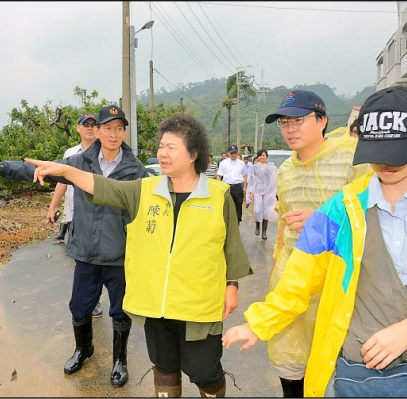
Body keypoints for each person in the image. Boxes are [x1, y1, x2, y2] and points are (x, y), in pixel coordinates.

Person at [223, 86, 407, 398]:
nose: (387, 165)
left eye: (398, 151)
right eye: (377, 153)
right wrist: (259, 323)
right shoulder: (341, 209)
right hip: (357, 372)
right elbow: (298, 280)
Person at [26, 113, 251, 397]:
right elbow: (102, 185)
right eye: (161, 146)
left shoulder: (218, 196)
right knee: (164, 365)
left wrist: (232, 285)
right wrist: (66, 171)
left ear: (194, 154)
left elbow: (230, 246)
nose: (163, 152)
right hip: (156, 301)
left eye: (172, 147)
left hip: (199, 302)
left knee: (204, 369)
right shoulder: (144, 190)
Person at [0, 105, 148, 387]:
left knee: (119, 310)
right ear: (97, 131)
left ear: (125, 131)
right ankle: (83, 349)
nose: (113, 134)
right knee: (79, 308)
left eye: (119, 128)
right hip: (86, 252)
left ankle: (119, 360)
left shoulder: (135, 169)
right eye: (107, 127)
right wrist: (0, 168)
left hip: (119, 255)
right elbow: (38, 169)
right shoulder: (78, 162)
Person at [248, 89, 367, 397]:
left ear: (322, 120)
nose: (290, 129)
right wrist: (277, 270)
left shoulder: (352, 159)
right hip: (294, 278)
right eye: (285, 123)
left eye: (298, 120)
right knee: (290, 366)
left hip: (338, 279)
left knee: (336, 364)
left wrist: (324, 220)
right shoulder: (285, 170)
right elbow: (283, 225)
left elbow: (372, 215)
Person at [47, 111, 103, 318]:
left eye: (93, 124)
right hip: (74, 214)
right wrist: (53, 206)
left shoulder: (106, 151)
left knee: (99, 259)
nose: (89, 127)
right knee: (82, 259)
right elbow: (62, 182)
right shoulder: (70, 154)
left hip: (100, 215)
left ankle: (94, 299)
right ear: (78, 128)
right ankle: (91, 300)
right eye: (85, 124)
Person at [245, 149, 278, 239]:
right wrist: (251, 192)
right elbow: (251, 180)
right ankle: (257, 226)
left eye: (263, 155)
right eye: (260, 155)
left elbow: (275, 180)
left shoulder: (272, 167)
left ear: (266, 156)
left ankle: (264, 232)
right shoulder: (254, 167)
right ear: (258, 157)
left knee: (266, 211)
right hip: (257, 191)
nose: (262, 157)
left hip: (268, 191)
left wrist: (275, 193)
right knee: (257, 210)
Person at [216, 145, 246, 224]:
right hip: (227, 187)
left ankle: (237, 225)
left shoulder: (241, 163)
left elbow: (245, 175)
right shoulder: (223, 163)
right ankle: (227, 227)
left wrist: (245, 188)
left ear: (237, 153)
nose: (233, 155)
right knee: (227, 207)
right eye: (231, 153)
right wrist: (220, 187)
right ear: (228, 153)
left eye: (235, 153)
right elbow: (219, 175)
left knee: (238, 207)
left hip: (238, 186)